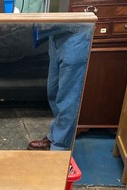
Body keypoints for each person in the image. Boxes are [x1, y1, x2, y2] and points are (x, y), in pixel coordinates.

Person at [28, 23, 94, 151]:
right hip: (55, 32)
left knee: (68, 97)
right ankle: (56, 136)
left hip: (76, 33)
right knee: (53, 91)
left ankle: (60, 147)